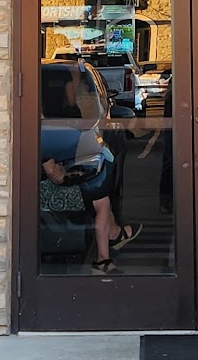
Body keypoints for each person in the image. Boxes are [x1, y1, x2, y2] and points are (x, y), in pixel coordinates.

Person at [40, 67, 140, 272]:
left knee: (99, 192)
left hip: (41, 187)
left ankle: (113, 235)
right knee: (100, 195)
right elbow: (55, 176)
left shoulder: (36, 127)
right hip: (44, 193)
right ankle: (104, 255)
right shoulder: (47, 134)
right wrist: (67, 173)